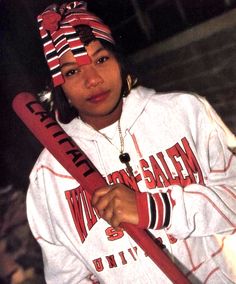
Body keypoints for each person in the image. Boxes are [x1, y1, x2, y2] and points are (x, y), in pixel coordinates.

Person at [26, 1, 236, 283]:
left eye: (101, 59)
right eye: (72, 71)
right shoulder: (47, 176)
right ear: (59, 87)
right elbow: (68, 277)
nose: (92, 80)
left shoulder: (185, 112)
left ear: (119, 62)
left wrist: (153, 209)